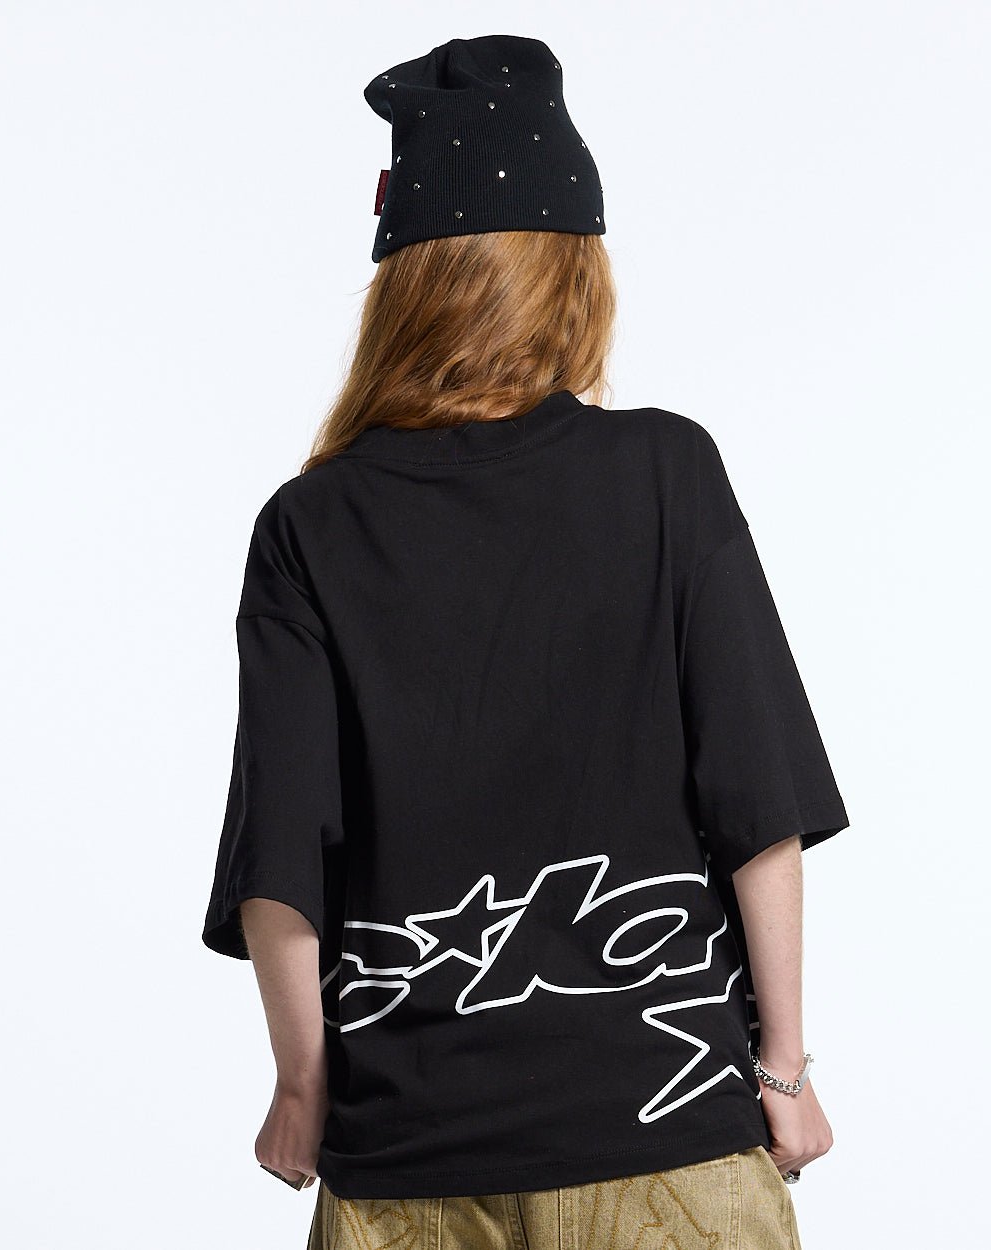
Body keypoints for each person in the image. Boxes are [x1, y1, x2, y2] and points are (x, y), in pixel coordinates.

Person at [201, 33, 850, 1250]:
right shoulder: (665, 471)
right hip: (666, 1134)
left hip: (409, 1161)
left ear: (403, 286)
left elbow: (282, 859)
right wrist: (783, 1066)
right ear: (574, 270)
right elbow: (756, 800)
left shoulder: (310, 524)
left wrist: (301, 1087)